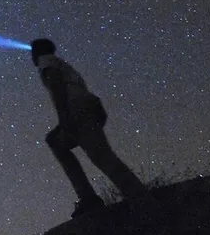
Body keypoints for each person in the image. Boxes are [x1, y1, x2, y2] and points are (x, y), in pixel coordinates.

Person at [30, 38, 147, 218]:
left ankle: (141, 201)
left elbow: (56, 85)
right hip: (87, 107)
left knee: (103, 157)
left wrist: (64, 118)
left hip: (77, 109)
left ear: (38, 51)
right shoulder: (64, 65)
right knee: (57, 143)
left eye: (32, 51)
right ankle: (89, 197)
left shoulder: (46, 61)